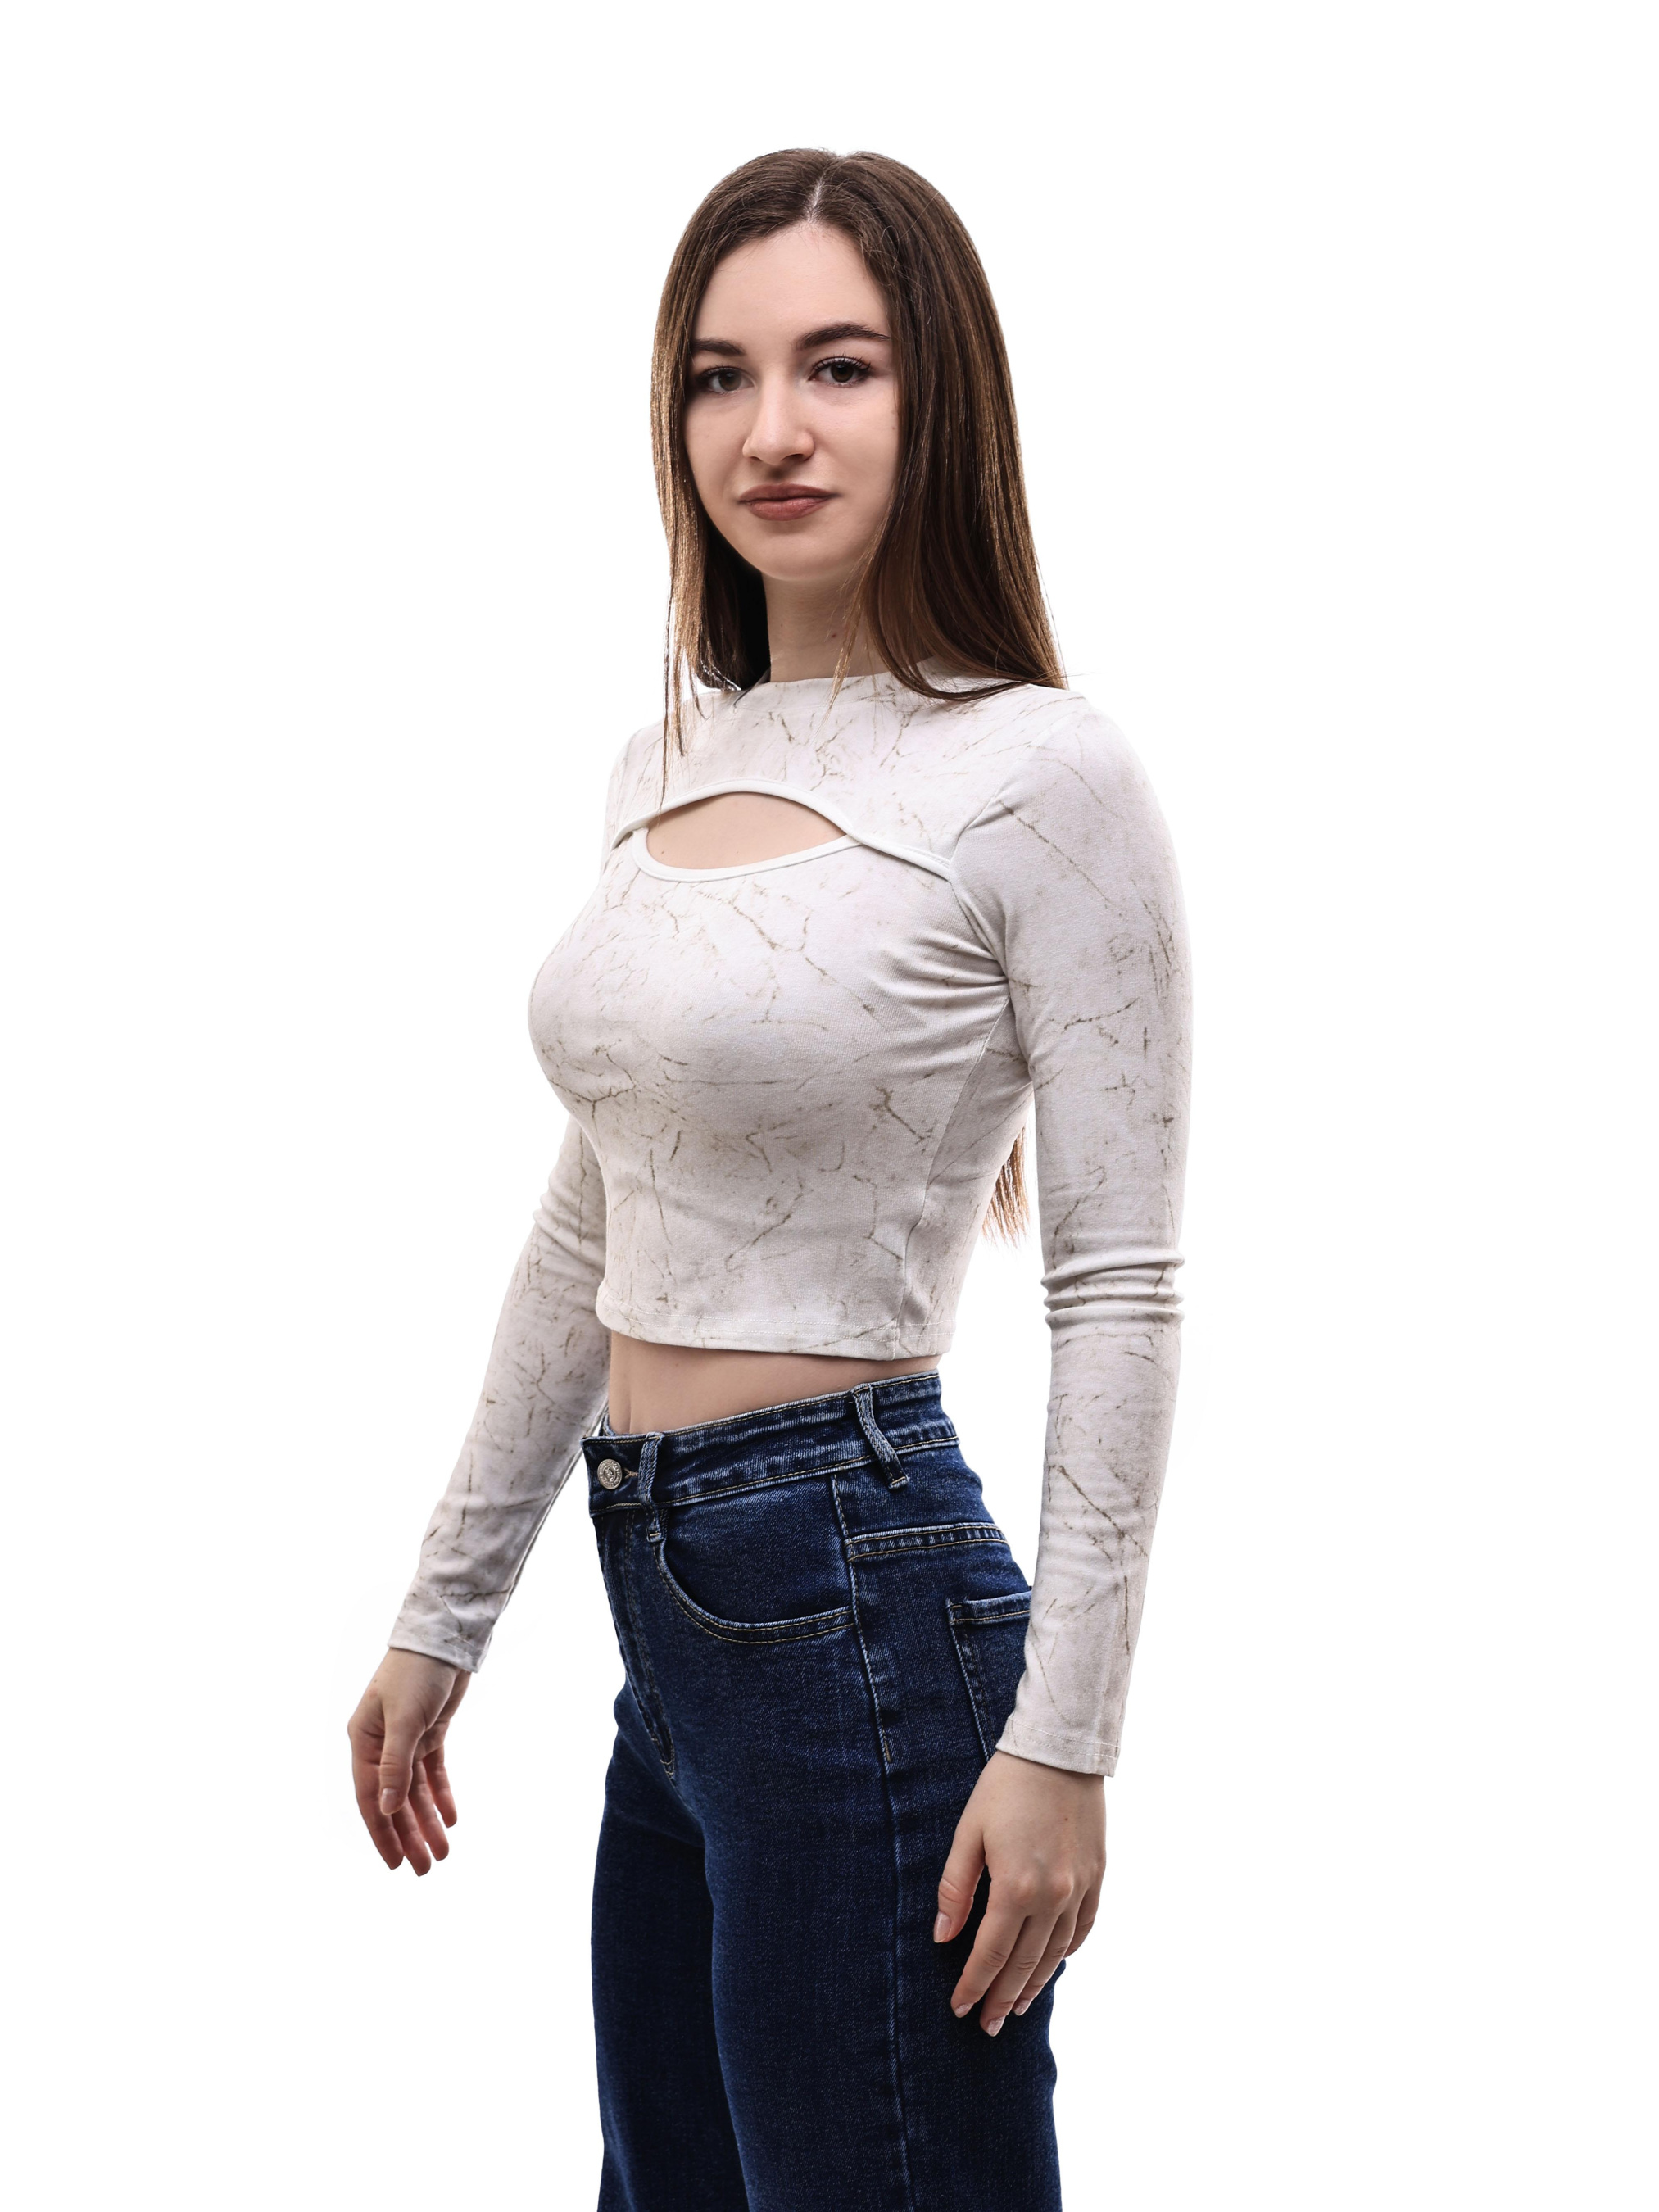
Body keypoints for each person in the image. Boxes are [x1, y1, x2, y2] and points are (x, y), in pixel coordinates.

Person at [347, 147, 1192, 2212]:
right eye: (718, 377)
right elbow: (590, 1213)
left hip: (860, 1599)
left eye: (839, 367)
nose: (771, 431)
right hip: (667, 1616)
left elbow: (1116, 1285)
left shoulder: (1039, 774)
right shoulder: (664, 762)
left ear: (940, 398)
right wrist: (447, 1608)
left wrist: (1066, 1741)